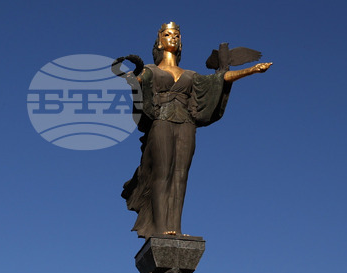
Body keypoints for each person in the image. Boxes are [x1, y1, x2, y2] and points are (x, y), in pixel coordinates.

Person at [115, 21, 272, 238]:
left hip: (186, 123)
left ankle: (176, 229)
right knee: (162, 174)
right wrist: (132, 78)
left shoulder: (190, 74)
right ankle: (160, 228)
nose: (174, 38)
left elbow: (218, 80)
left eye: (177, 35)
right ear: (159, 42)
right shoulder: (151, 70)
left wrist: (251, 70)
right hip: (161, 120)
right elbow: (139, 81)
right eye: (168, 34)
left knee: (181, 176)